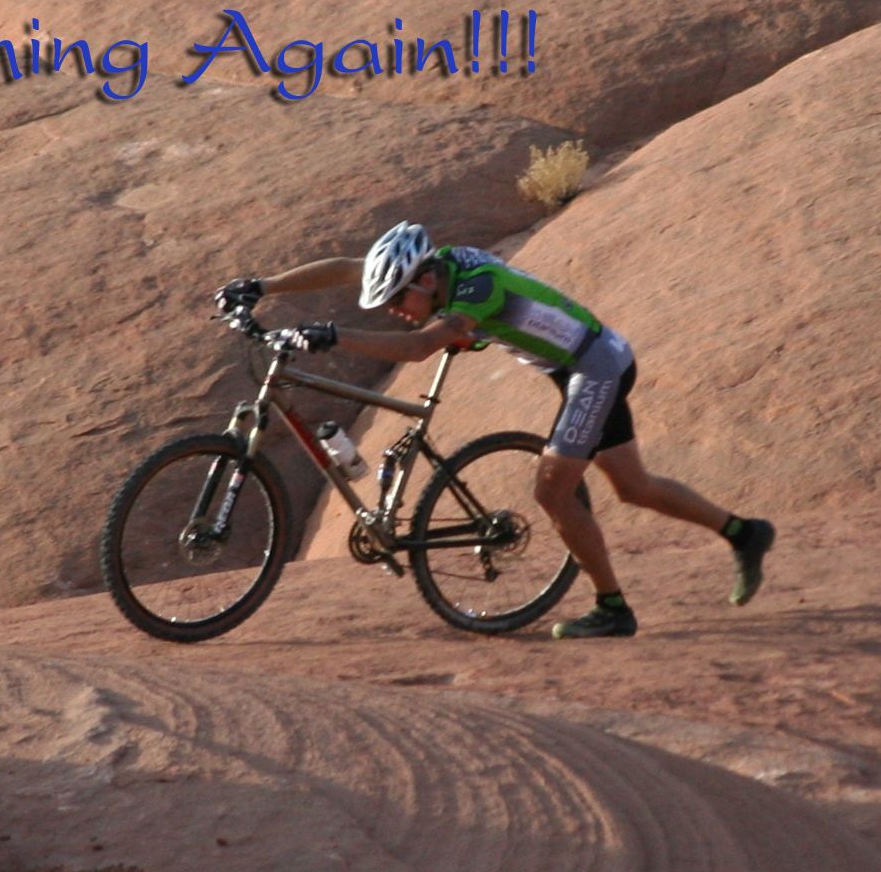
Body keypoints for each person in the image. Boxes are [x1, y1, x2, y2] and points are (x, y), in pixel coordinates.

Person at [214, 221, 774, 639]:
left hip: (593, 366)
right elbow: (345, 267)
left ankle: (612, 609)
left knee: (552, 492)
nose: (393, 310)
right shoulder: (427, 268)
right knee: (633, 486)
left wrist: (334, 335)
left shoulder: (478, 287)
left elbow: (421, 346)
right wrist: (263, 285)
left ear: (425, 279)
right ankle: (744, 533)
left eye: (397, 299)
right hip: (578, 362)